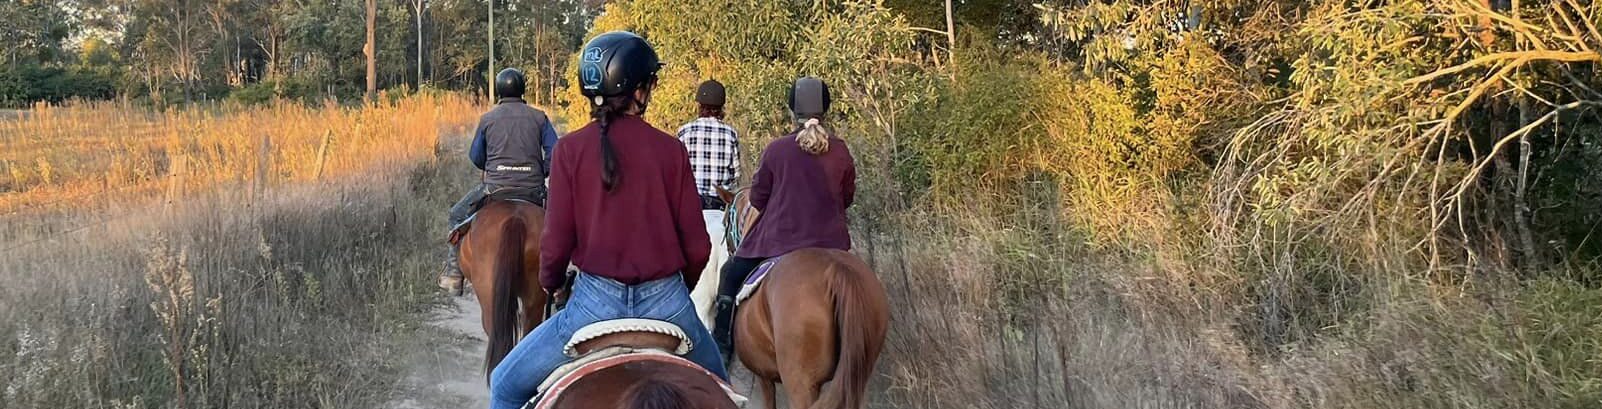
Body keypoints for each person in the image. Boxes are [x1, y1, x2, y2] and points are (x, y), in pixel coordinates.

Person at [487, 31, 728, 409]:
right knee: (723, 387)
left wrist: (551, 285)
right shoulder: (671, 150)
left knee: (504, 385)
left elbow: (555, 245)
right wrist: (679, 288)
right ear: (638, 91)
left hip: (592, 307)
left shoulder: (569, 150)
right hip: (668, 306)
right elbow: (698, 247)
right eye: (651, 81)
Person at [710, 77, 856, 361]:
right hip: (833, 245)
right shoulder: (840, 150)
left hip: (779, 243)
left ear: (792, 111)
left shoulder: (777, 149)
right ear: (825, 110)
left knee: (729, 275)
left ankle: (723, 349)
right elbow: (847, 199)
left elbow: (758, 199)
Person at [440, 68, 559, 294]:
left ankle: (454, 273)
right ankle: (562, 282)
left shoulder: (488, 119)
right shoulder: (539, 117)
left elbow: (475, 156)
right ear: (523, 89)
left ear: (499, 90)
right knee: (565, 220)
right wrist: (541, 170)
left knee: (456, 214)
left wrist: (493, 167)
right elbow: (555, 151)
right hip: (533, 189)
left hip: (495, 187)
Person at [677, 80, 741, 248]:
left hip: (690, 206)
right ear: (721, 107)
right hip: (719, 206)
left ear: (700, 105)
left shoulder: (684, 131)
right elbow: (735, 175)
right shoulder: (731, 134)